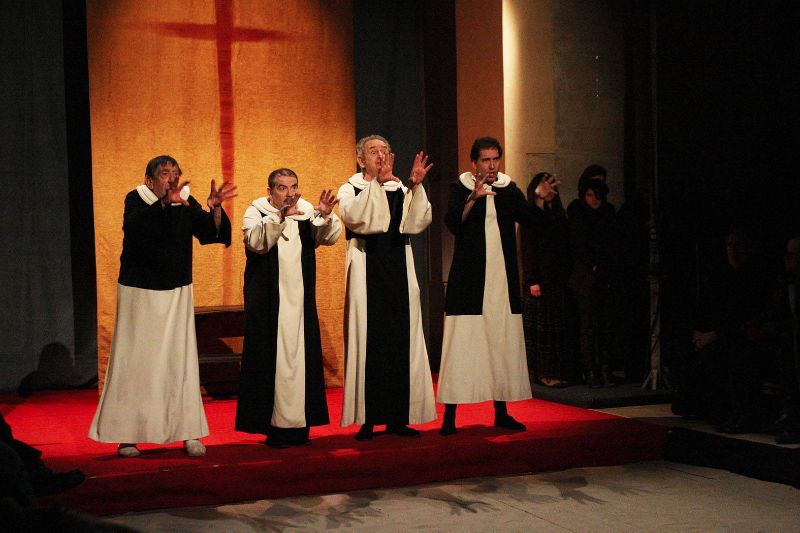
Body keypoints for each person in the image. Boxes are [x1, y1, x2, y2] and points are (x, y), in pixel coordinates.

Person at [88, 155, 236, 457]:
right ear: (150, 180)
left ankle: (188, 432)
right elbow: (136, 231)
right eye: (164, 172)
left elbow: (210, 233)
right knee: (135, 363)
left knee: (179, 361)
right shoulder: (136, 199)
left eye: (175, 172)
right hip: (139, 290)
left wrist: (214, 208)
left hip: (177, 290)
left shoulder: (184, 200)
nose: (171, 177)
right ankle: (127, 435)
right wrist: (164, 205)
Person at [437, 137, 555, 436]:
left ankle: (501, 412)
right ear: (474, 162)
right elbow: (452, 223)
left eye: (495, 159)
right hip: (469, 282)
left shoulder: (508, 189)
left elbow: (531, 220)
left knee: (500, 344)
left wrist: (539, 199)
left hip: (501, 282)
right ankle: (449, 417)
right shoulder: (461, 187)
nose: (491, 165)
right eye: (486, 160)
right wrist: (473, 198)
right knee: (461, 346)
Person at [339, 135, 437, 441]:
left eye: (385, 151)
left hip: (399, 272)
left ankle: (398, 417)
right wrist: (376, 184)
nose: (380, 156)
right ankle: (368, 420)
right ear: (360, 159)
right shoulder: (351, 188)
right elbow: (356, 219)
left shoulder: (400, 188)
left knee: (400, 341)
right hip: (367, 271)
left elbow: (417, 222)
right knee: (369, 344)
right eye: (373, 152)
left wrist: (416, 186)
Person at [235, 168, 342, 449]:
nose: (290, 193)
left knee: (300, 361)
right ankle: (273, 428)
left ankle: (299, 426)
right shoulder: (256, 212)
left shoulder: (306, 212)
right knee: (271, 361)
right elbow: (256, 243)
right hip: (269, 303)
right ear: (270, 191)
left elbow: (328, 237)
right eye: (282, 188)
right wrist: (280, 217)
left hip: (299, 303)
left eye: (293, 187)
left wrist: (325, 215)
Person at [520, 172, 574, 388]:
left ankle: (557, 371)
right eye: (544, 187)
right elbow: (527, 249)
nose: (549, 191)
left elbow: (566, 248)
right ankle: (541, 373)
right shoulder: (530, 216)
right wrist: (532, 280)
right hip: (539, 283)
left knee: (556, 331)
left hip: (557, 282)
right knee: (541, 333)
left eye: (552, 187)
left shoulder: (559, 215)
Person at [568, 175, 620, 388]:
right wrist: (592, 263)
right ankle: (590, 371)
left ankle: (605, 370)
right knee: (588, 326)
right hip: (585, 279)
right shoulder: (578, 213)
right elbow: (577, 244)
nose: (594, 199)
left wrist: (603, 264)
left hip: (605, 277)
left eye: (597, 195)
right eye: (590, 195)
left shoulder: (608, 214)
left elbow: (613, 244)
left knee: (605, 326)